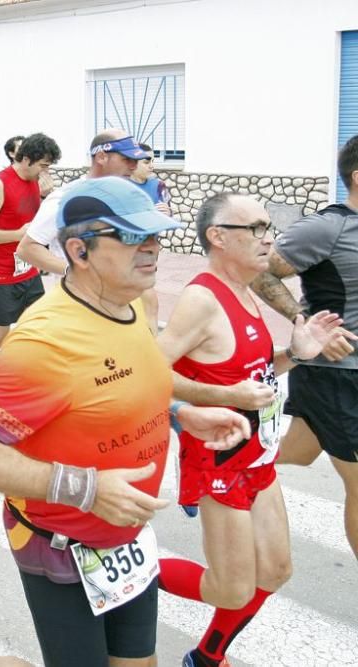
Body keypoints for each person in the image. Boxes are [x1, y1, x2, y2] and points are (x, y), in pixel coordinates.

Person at [0, 177, 252, 666]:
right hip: (60, 544)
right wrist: (86, 489)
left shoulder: (135, 305)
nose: (150, 249)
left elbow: (123, 382)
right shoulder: (47, 341)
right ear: (79, 251)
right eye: (130, 238)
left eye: (155, 236)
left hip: (128, 536)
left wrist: (182, 414)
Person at [156, 193, 347, 667]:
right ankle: (123, 570)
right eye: (257, 229)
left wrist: (299, 353)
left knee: (277, 570)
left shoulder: (244, 290)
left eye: (269, 227)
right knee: (229, 586)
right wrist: (230, 399)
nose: (270, 239)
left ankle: (205, 658)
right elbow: (150, 373)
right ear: (218, 237)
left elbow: (251, 373)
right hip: (217, 460)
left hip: (256, 458)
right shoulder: (201, 298)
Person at [250, 134, 358, 559]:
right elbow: (261, 273)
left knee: (299, 449)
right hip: (337, 373)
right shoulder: (328, 227)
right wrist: (305, 323)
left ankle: (231, 459)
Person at [16, 130, 161, 324]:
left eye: (137, 161)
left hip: (120, 304)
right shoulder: (66, 198)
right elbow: (27, 248)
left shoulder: (128, 197)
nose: (134, 167)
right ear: (101, 157)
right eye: (127, 159)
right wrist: (76, 271)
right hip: (80, 306)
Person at [0, 133, 61, 370]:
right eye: (43, 165)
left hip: (27, 268)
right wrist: (16, 234)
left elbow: (35, 220)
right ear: (27, 159)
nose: (45, 171)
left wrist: (45, 195)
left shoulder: (36, 181)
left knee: (38, 322)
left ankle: (26, 367)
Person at [130, 143, 171, 209]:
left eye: (152, 161)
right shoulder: (122, 186)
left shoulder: (159, 186)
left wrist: (168, 213)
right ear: (132, 163)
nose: (152, 166)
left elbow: (170, 214)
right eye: (146, 162)